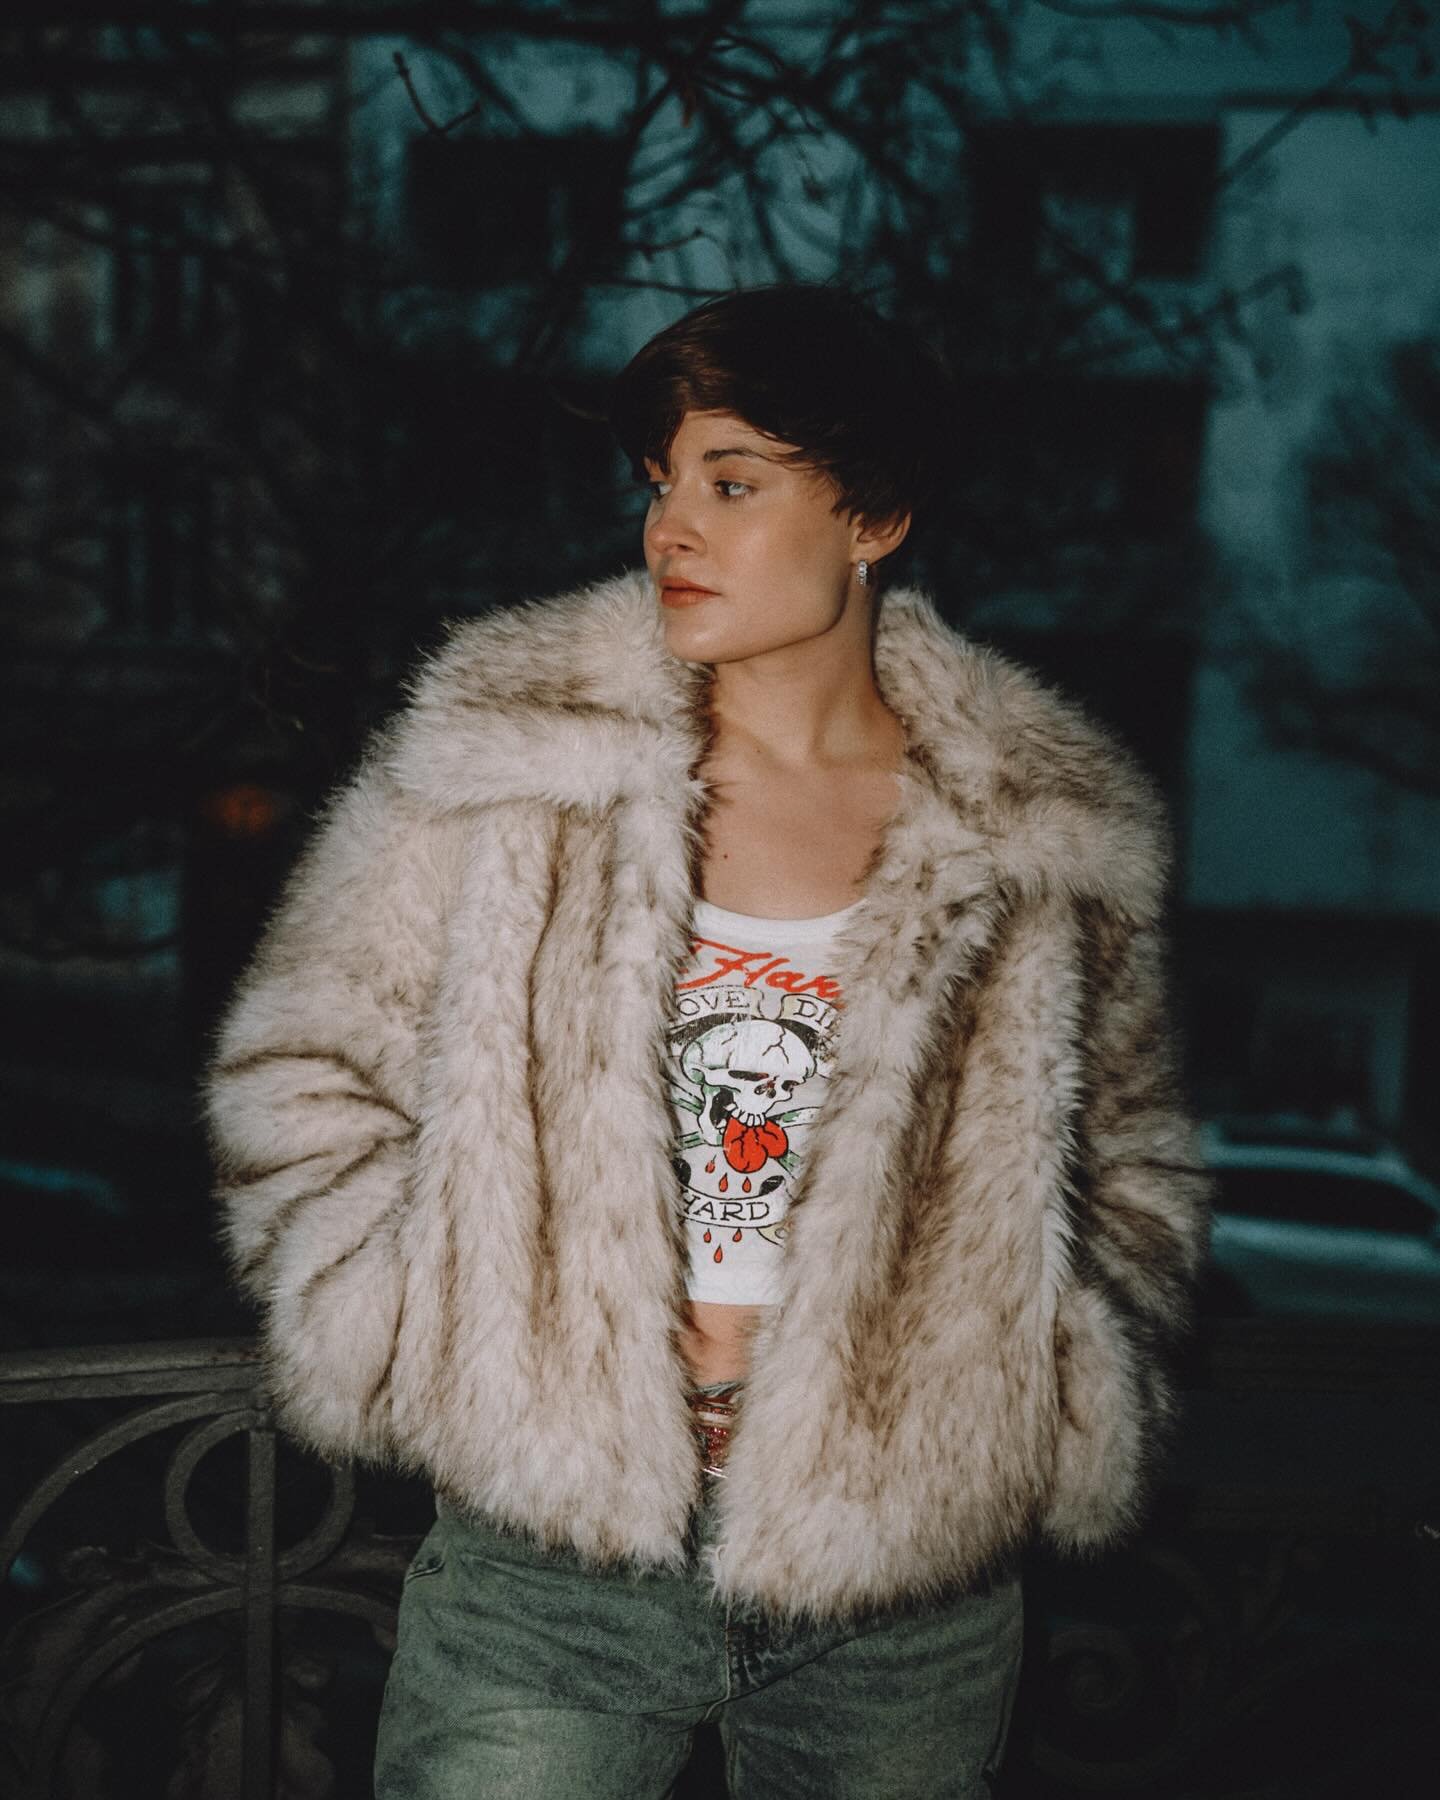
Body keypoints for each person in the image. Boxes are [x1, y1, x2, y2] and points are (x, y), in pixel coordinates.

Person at [206, 283, 1212, 1798]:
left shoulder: (1038, 832)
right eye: (661, 481)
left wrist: (1043, 1381)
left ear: (874, 517)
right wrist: (405, 1318)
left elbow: (1129, 1161)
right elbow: (301, 1070)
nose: (670, 526)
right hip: (554, 1564)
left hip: (904, 1587)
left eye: (732, 483)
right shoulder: (516, 759)